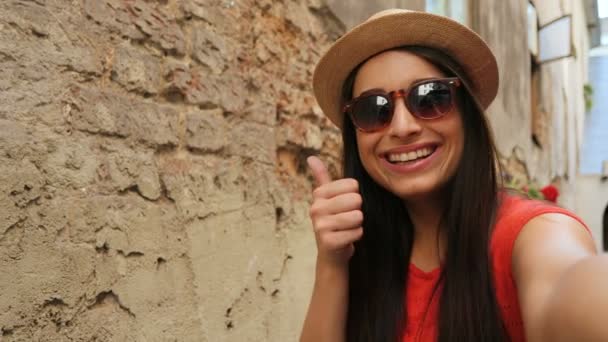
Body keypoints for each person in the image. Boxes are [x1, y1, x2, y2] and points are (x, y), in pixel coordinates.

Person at [300, 9, 608, 342]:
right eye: (374, 110)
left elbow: (573, 285)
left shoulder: (533, 234)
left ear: (467, 114)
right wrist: (332, 264)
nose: (402, 127)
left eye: (430, 97)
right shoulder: (366, 253)